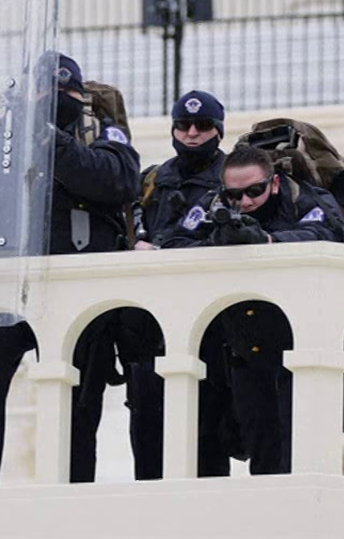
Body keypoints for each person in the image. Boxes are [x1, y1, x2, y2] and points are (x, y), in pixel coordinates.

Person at [0, 53, 140, 486]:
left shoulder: (99, 131)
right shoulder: (3, 135)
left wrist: (48, 139)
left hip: (77, 283)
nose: (51, 99)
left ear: (80, 96)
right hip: (10, 281)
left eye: (62, 92)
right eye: (42, 91)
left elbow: (115, 180)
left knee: (79, 396)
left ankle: (70, 485)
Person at [164, 143, 344, 473]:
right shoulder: (213, 204)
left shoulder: (302, 199)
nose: (245, 202)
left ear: (274, 183)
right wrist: (215, 244)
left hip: (299, 342)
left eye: (255, 191)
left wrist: (268, 243)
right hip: (244, 347)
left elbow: (330, 234)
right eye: (234, 195)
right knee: (262, 449)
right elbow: (174, 244)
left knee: (303, 450)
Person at [121, 89, 240, 480]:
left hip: (208, 327)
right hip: (149, 326)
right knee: (148, 437)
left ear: (218, 131)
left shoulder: (234, 179)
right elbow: (122, 226)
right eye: (183, 125)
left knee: (206, 442)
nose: (192, 133)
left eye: (202, 126)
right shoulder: (153, 179)